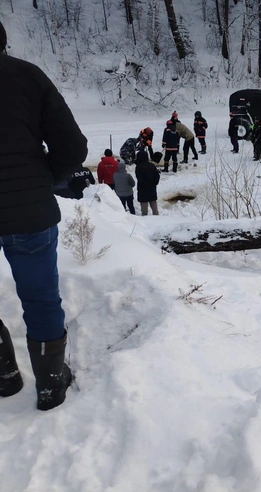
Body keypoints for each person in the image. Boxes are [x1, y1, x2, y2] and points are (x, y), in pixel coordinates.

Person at [0, 20, 88, 411]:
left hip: (27, 204)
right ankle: (51, 384)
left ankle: (4, 374)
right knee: (40, 298)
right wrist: (41, 179)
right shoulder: (26, 76)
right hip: (28, 213)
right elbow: (72, 144)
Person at [135, 150, 160, 215]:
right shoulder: (152, 166)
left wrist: (144, 184)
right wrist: (154, 183)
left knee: (144, 206)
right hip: (152, 188)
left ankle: (145, 217)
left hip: (142, 189)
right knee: (153, 204)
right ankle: (157, 217)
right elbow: (157, 176)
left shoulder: (138, 167)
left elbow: (139, 177)